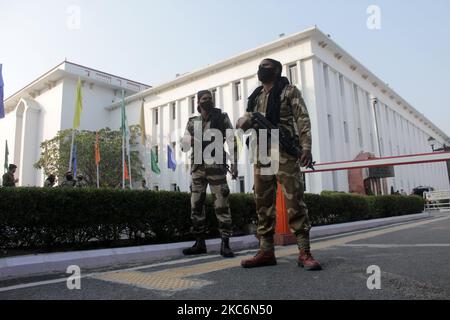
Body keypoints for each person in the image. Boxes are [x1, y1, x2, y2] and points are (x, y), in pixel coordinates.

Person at [237, 58, 321, 270]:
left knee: (295, 202)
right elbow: (242, 123)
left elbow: (303, 119)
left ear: (275, 70)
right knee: (262, 204)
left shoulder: (289, 91)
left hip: (284, 151)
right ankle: (266, 251)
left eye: (265, 66)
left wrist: (306, 148)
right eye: (259, 67)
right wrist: (244, 121)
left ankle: (304, 251)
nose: (260, 69)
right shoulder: (255, 96)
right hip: (262, 152)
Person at [180, 89, 238, 258]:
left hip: (217, 169)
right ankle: (200, 243)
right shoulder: (193, 122)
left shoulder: (221, 117)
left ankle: (225, 244)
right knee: (195, 206)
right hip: (198, 169)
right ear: (198, 103)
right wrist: (187, 140)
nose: (208, 101)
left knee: (221, 205)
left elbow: (232, 139)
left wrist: (234, 163)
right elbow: (183, 147)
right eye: (204, 99)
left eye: (210, 98)